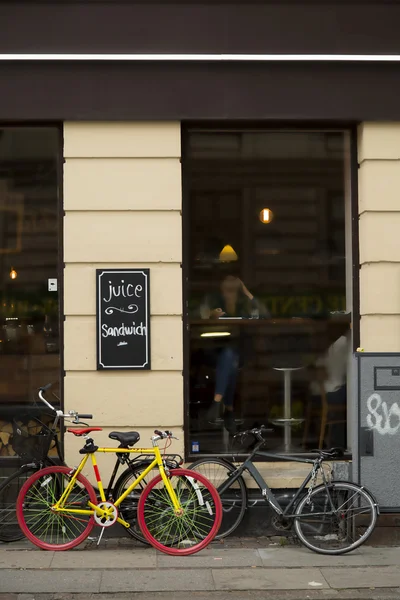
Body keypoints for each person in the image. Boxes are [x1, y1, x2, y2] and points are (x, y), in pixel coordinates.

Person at [200, 274, 260, 433]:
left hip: (239, 356)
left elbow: (265, 316)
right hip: (212, 354)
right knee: (229, 358)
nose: (229, 293)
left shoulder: (244, 305)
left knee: (230, 358)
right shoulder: (214, 303)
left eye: (234, 290)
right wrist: (211, 317)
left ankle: (218, 403)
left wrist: (248, 293)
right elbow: (196, 319)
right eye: (227, 290)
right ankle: (229, 410)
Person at [308, 328, 351, 448]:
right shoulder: (347, 343)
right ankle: (339, 443)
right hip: (330, 393)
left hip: (318, 393)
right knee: (355, 391)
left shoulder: (333, 346)